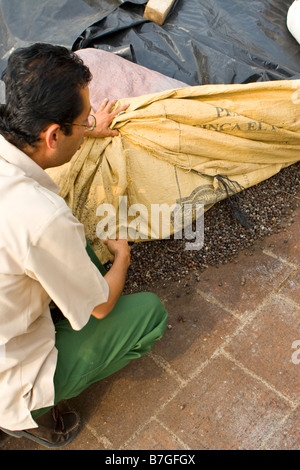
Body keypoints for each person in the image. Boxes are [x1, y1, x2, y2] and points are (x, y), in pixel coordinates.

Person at [0, 43, 168, 448]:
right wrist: (123, 257)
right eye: (84, 118)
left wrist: (86, 130)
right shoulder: (40, 218)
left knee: (79, 259)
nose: (91, 122)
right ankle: (30, 415)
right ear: (53, 135)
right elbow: (101, 307)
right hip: (9, 375)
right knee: (150, 314)